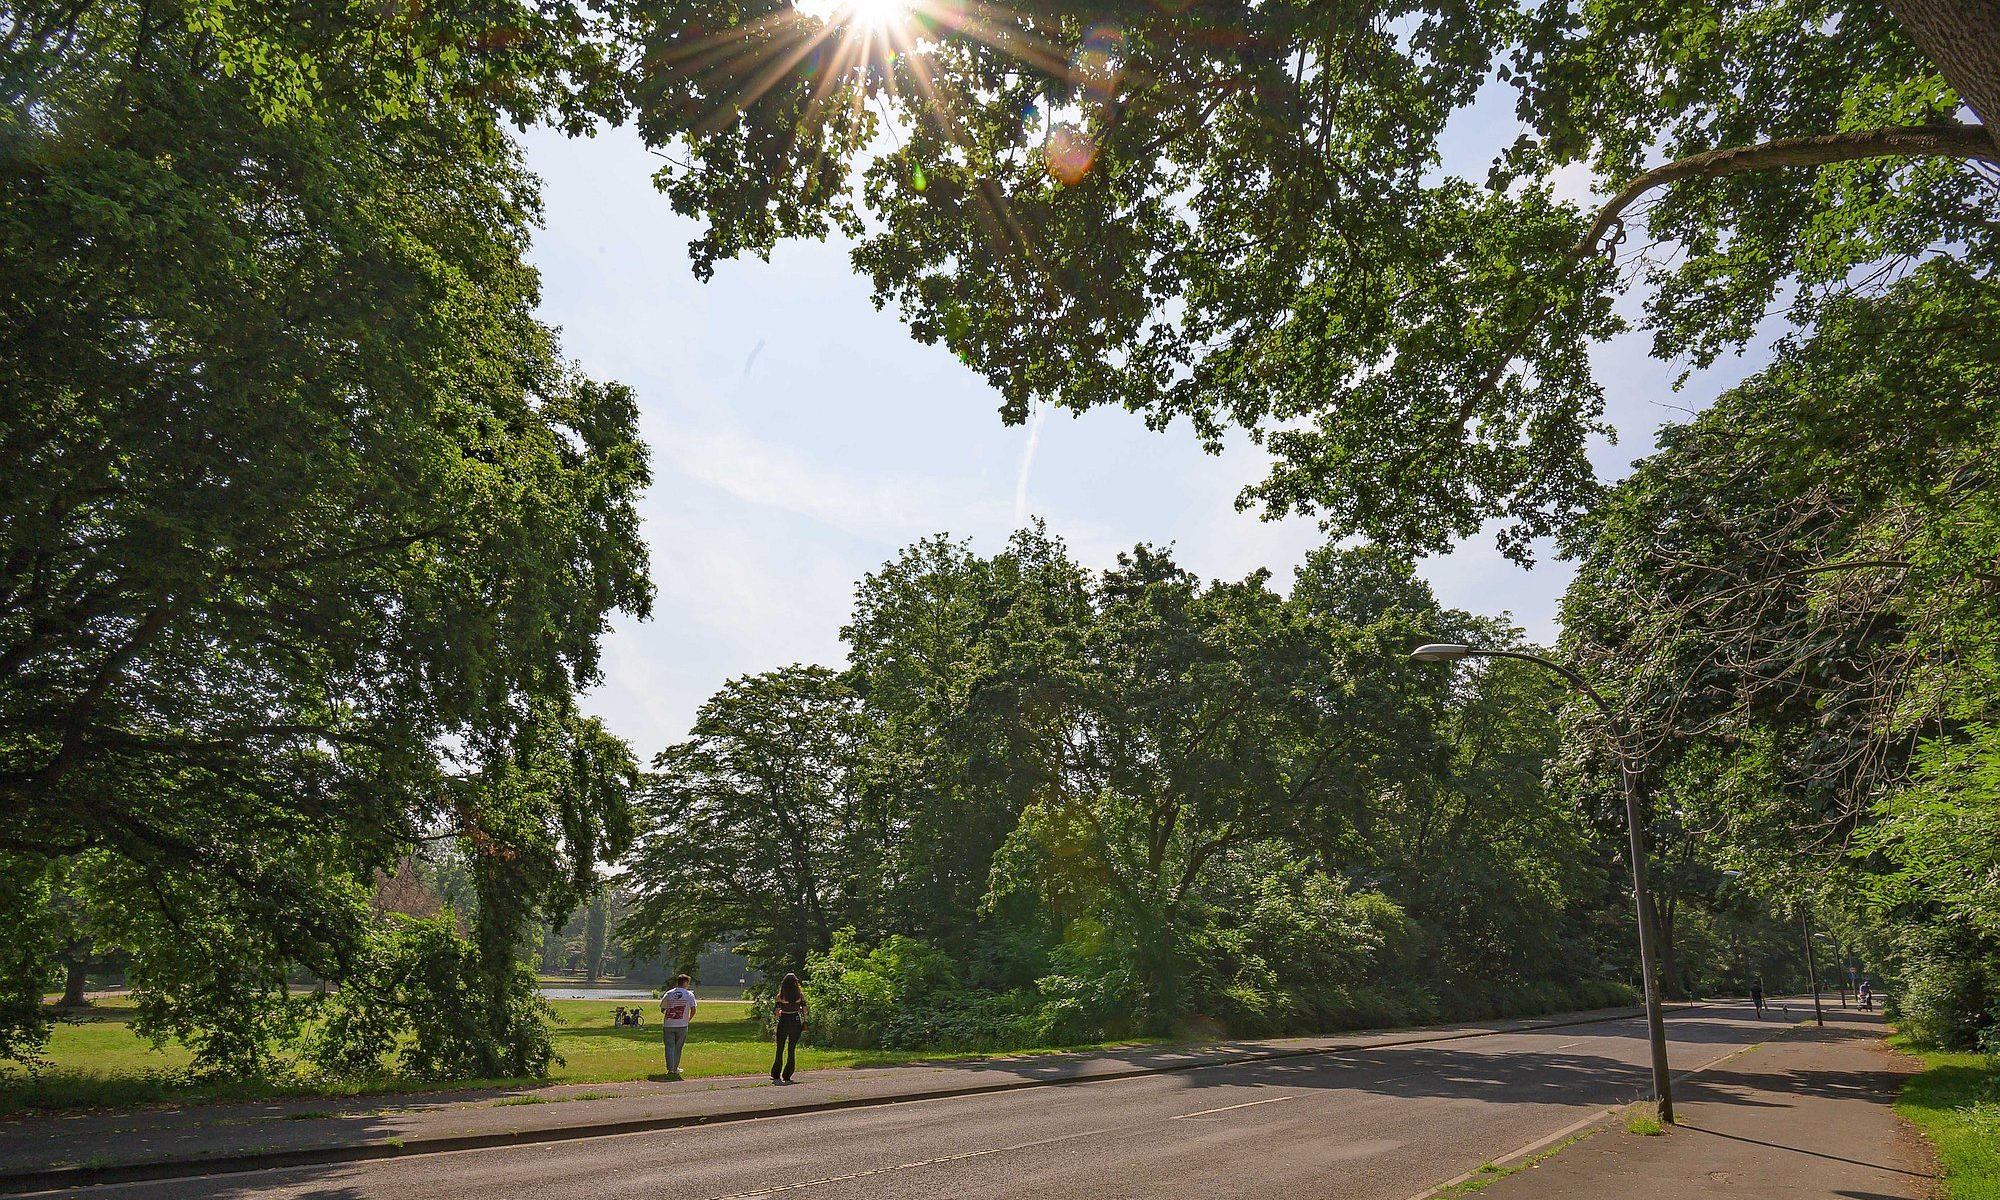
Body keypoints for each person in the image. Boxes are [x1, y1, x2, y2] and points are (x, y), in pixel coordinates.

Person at [659, 975, 698, 1079]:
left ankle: (670, 1068)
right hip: (682, 1025)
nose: (689, 985)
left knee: (669, 1046)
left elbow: (662, 1008)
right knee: (678, 1047)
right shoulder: (689, 995)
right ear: (685, 983)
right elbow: (693, 1009)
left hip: (668, 1024)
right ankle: (675, 1068)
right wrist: (688, 1019)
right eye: (688, 983)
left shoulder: (669, 993)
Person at [772, 973, 807, 1084]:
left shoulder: (781, 996)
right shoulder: (800, 996)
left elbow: (777, 1013)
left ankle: (776, 1073)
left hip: (784, 1020)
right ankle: (787, 1074)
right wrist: (799, 1009)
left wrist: (781, 1011)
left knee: (780, 1048)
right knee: (791, 1049)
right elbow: (805, 1010)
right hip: (795, 1020)